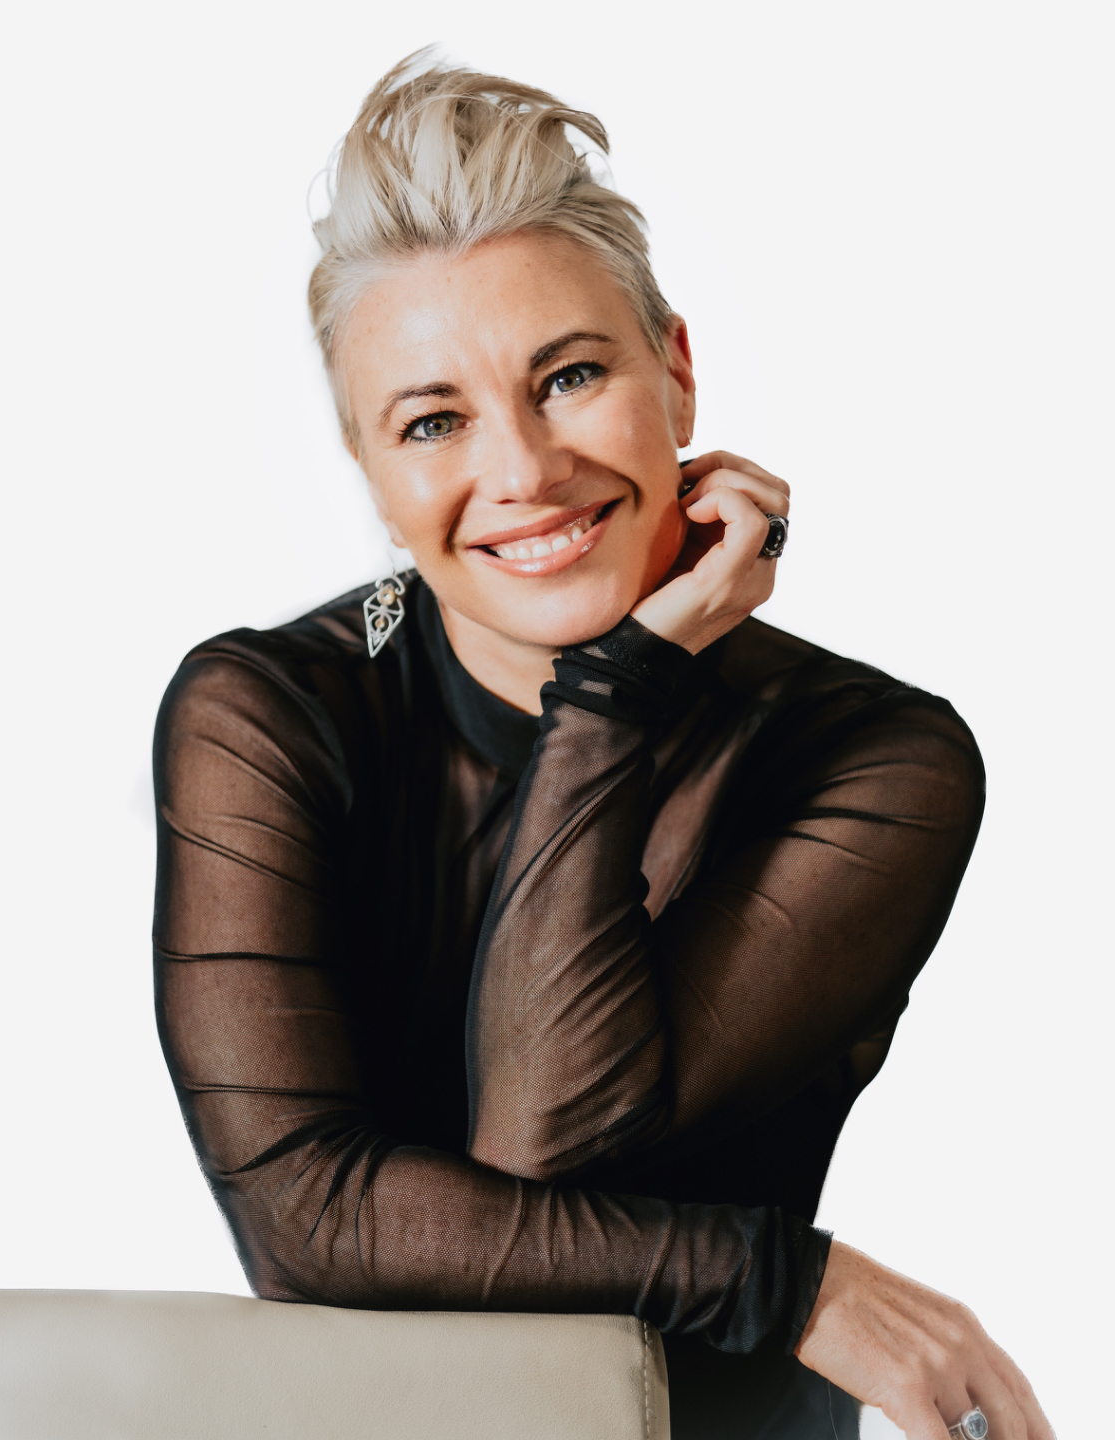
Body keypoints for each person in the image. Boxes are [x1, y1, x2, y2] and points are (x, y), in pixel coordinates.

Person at [152, 54, 1052, 1440]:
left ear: (676, 376)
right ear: (372, 473)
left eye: (568, 376)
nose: (522, 472)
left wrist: (614, 686)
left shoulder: (875, 759)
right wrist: (795, 1282)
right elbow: (303, 1218)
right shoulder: (268, 713)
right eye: (434, 421)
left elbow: (545, 1142)